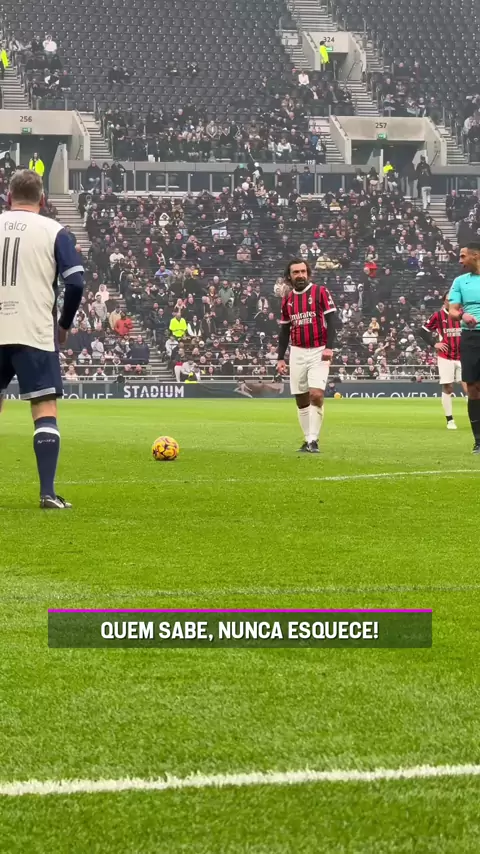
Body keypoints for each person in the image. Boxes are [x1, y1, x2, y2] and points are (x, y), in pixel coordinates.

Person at [0, 170, 84, 507]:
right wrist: (63, 324)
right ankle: (47, 493)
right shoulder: (54, 231)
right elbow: (75, 282)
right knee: (44, 406)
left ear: (9, 197)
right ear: (43, 200)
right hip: (33, 330)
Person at [277, 258, 336, 453]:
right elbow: (284, 331)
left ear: (308, 273)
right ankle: (307, 439)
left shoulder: (320, 292)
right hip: (297, 351)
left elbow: (332, 321)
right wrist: (280, 357)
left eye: (303, 271)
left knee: (316, 395)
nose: (300, 275)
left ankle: (313, 440)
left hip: (319, 350)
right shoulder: (287, 300)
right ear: (289, 276)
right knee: (301, 399)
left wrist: (329, 347)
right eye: (296, 272)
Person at [448, 242, 480, 453]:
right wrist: (462, 315)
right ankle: (478, 441)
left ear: (475, 256)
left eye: (463, 256)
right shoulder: (460, 281)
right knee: (473, 388)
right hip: (470, 338)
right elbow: (452, 310)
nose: (459, 260)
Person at [419, 293, 466, 429]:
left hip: (463, 355)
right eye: (448, 300)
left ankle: (474, 417)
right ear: (444, 301)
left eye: (453, 300)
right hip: (446, 356)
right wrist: (434, 343)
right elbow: (422, 331)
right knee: (448, 387)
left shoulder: (463, 314)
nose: (451, 302)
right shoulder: (438, 316)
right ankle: (450, 420)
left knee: (469, 387)